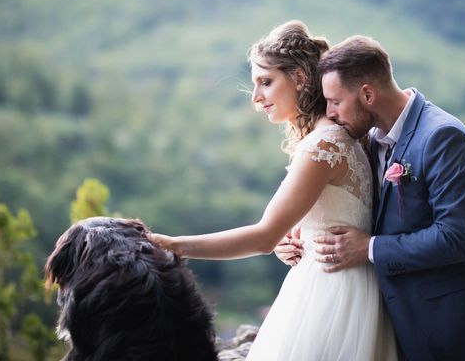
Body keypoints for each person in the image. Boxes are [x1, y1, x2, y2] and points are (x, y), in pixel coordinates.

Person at [150, 21, 397, 361]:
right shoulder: (335, 138)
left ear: (298, 78)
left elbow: (263, 237)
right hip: (345, 285)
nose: (256, 97)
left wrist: (172, 245)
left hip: (330, 294)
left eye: (266, 82)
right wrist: (295, 237)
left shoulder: (322, 146)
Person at [276, 35, 465, 360]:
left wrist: (368, 248)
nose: (328, 114)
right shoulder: (370, 137)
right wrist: (303, 234)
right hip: (389, 317)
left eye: (334, 101)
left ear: (368, 94)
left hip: (444, 320)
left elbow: (456, 238)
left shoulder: (443, 136)